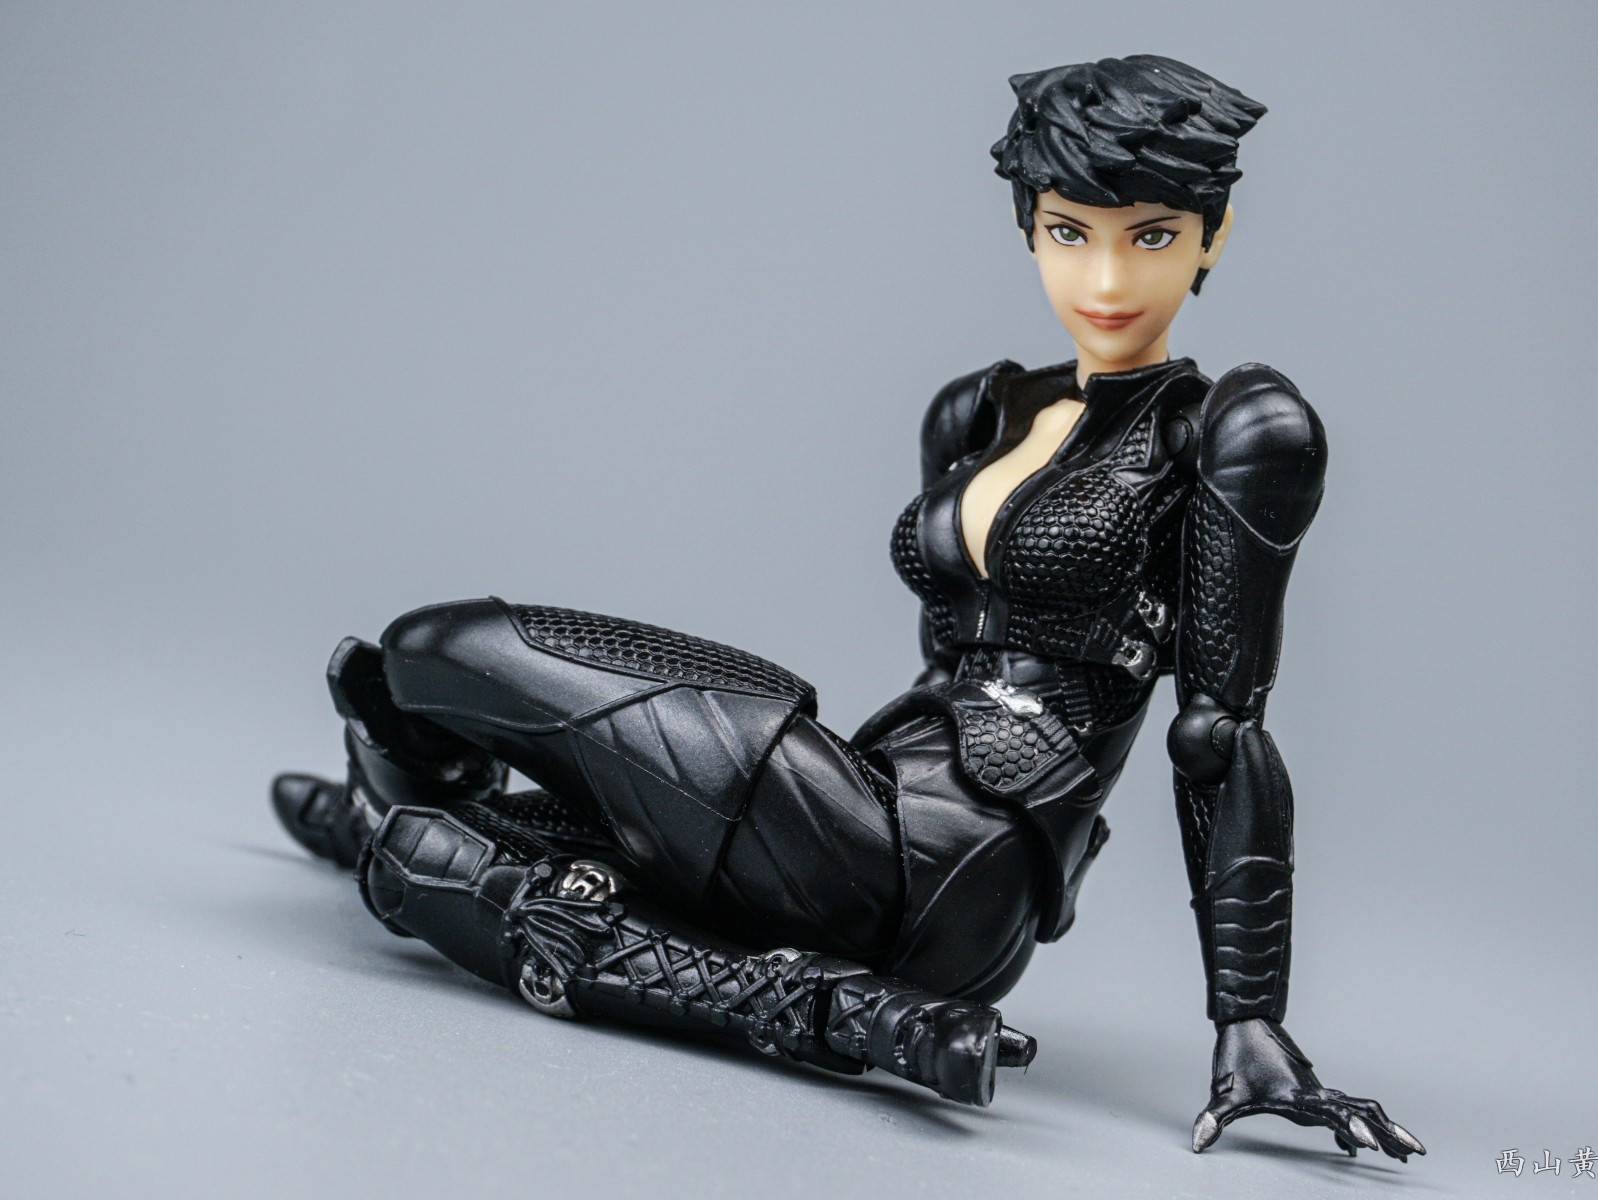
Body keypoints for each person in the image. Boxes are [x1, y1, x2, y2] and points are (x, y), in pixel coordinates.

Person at [271, 53, 1422, 1158]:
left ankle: (402, 796)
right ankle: (432, 828)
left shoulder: (1234, 427)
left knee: (436, 651)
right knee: (437, 839)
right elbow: (943, 668)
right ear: (1029, 225)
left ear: (1215, 234)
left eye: (1152, 237)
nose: (1108, 282)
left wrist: (1249, 1020)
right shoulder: (980, 413)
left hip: (952, 868)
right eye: (1071, 233)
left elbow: (1221, 733)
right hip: (861, 803)